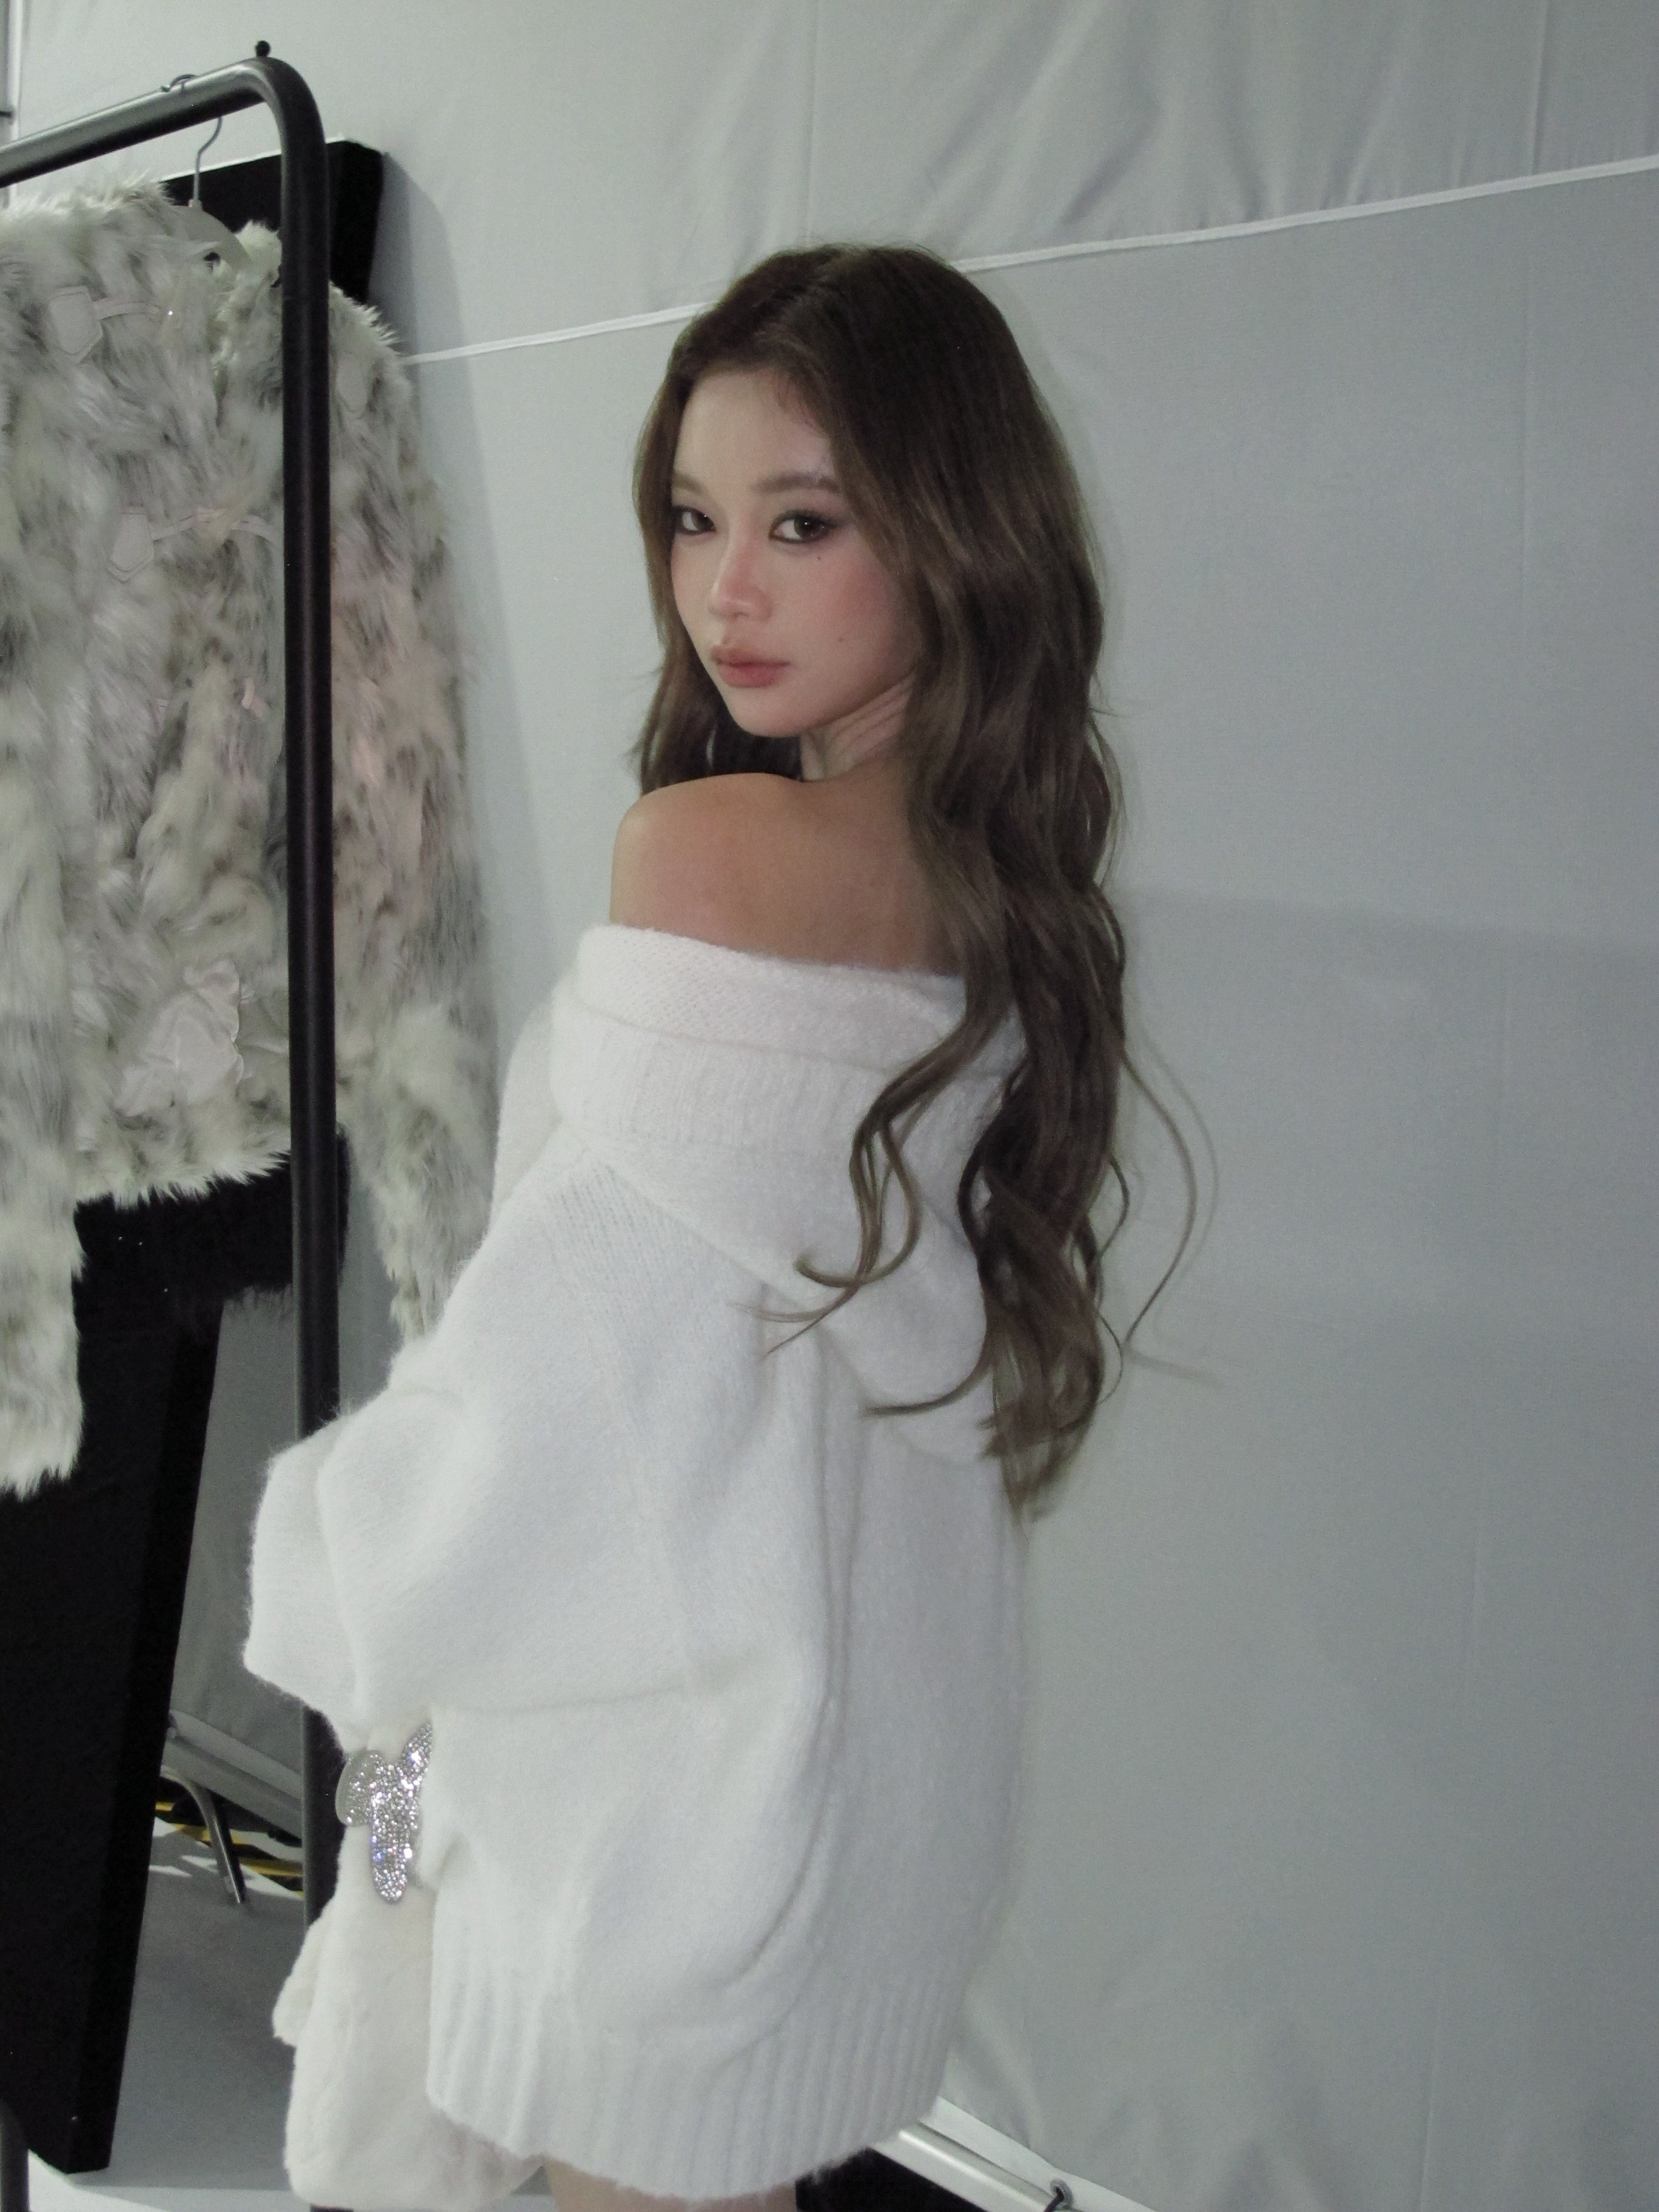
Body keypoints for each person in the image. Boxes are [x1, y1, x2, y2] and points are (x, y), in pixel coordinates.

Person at [246, 243, 1172, 2212]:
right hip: (858, 1786)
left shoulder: (714, 852)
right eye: (692, 517)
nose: (726, 589)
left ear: (952, 533)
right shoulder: (990, 876)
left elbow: (566, 1381)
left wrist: (341, 1557)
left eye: (803, 524)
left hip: (656, 1824)